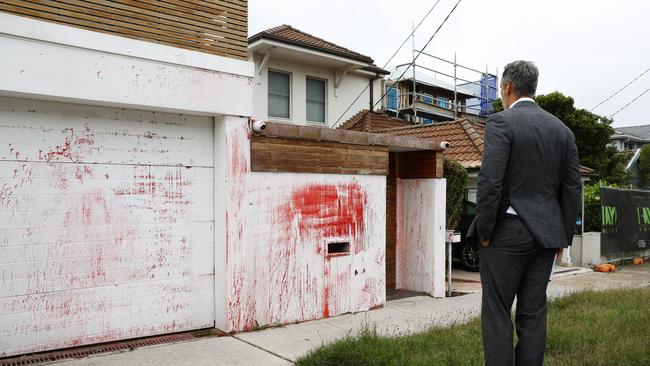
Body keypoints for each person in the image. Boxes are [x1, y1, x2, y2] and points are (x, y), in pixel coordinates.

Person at [467, 60, 581, 366]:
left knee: (497, 311)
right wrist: (563, 238)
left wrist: (487, 230)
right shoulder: (563, 131)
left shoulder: (502, 123)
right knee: (533, 314)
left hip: (506, 234)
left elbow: (490, 181)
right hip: (546, 238)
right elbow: (572, 190)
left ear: (507, 87)